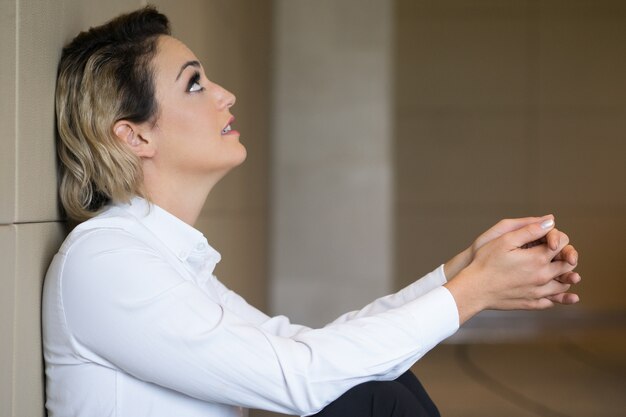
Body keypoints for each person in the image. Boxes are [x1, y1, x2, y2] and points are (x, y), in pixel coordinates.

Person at [43, 6, 581, 417]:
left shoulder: (154, 255)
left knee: (377, 385)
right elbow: (297, 380)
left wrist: (466, 269)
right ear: (134, 135)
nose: (225, 95)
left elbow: (301, 345)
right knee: (373, 398)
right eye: (195, 84)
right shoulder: (108, 260)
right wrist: (473, 293)